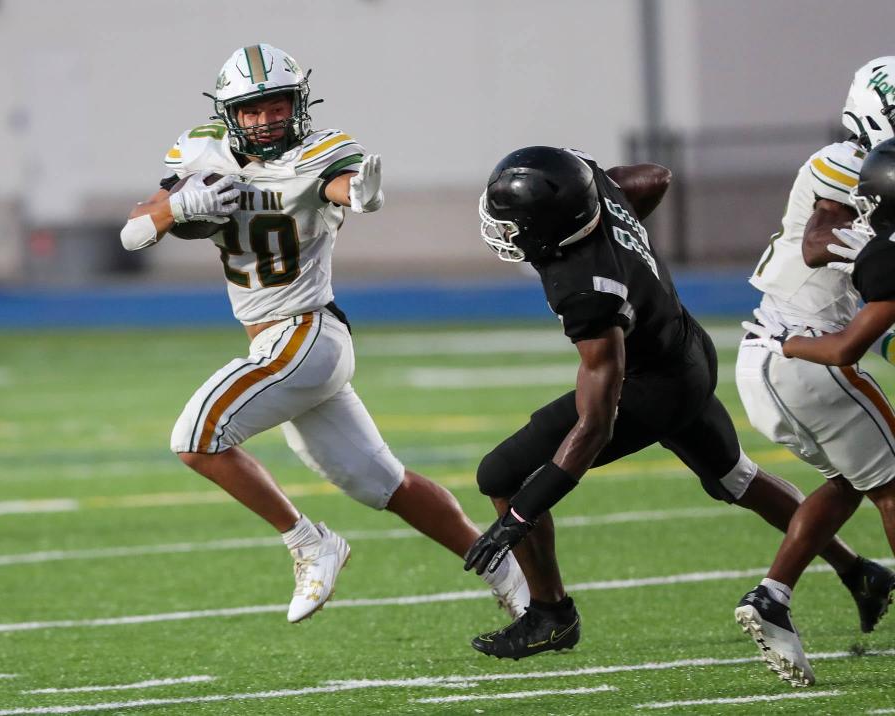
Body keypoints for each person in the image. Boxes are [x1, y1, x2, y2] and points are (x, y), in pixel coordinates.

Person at [119, 44, 529, 624]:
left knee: (196, 438)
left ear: (298, 103)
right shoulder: (204, 150)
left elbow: (344, 184)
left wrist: (358, 191)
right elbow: (134, 232)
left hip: (305, 333)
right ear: (230, 112)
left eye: (277, 104)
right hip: (282, 345)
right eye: (253, 109)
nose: (266, 119)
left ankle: (308, 543)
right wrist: (178, 207)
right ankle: (511, 577)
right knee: (386, 485)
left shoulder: (319, 151)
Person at [461, 144, 889, 661]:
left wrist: (521, 515)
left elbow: (597, 422)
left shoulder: (586, 288)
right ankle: (857, 571)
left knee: (501, 475)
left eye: (514, 224)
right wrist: (619, 212)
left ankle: (551, 614)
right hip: (686, 350)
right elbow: (655, 177)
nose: (505, 232)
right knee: (738, 479)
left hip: (651, 385)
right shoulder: (592, 189)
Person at [737, 135, 895, 687]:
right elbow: (850, 340)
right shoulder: (851, 182)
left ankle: (772, 596)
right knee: (894, 487)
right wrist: (792, 347)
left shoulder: (872, 228)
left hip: (759, 354)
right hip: (805, 355)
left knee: (847, 481)